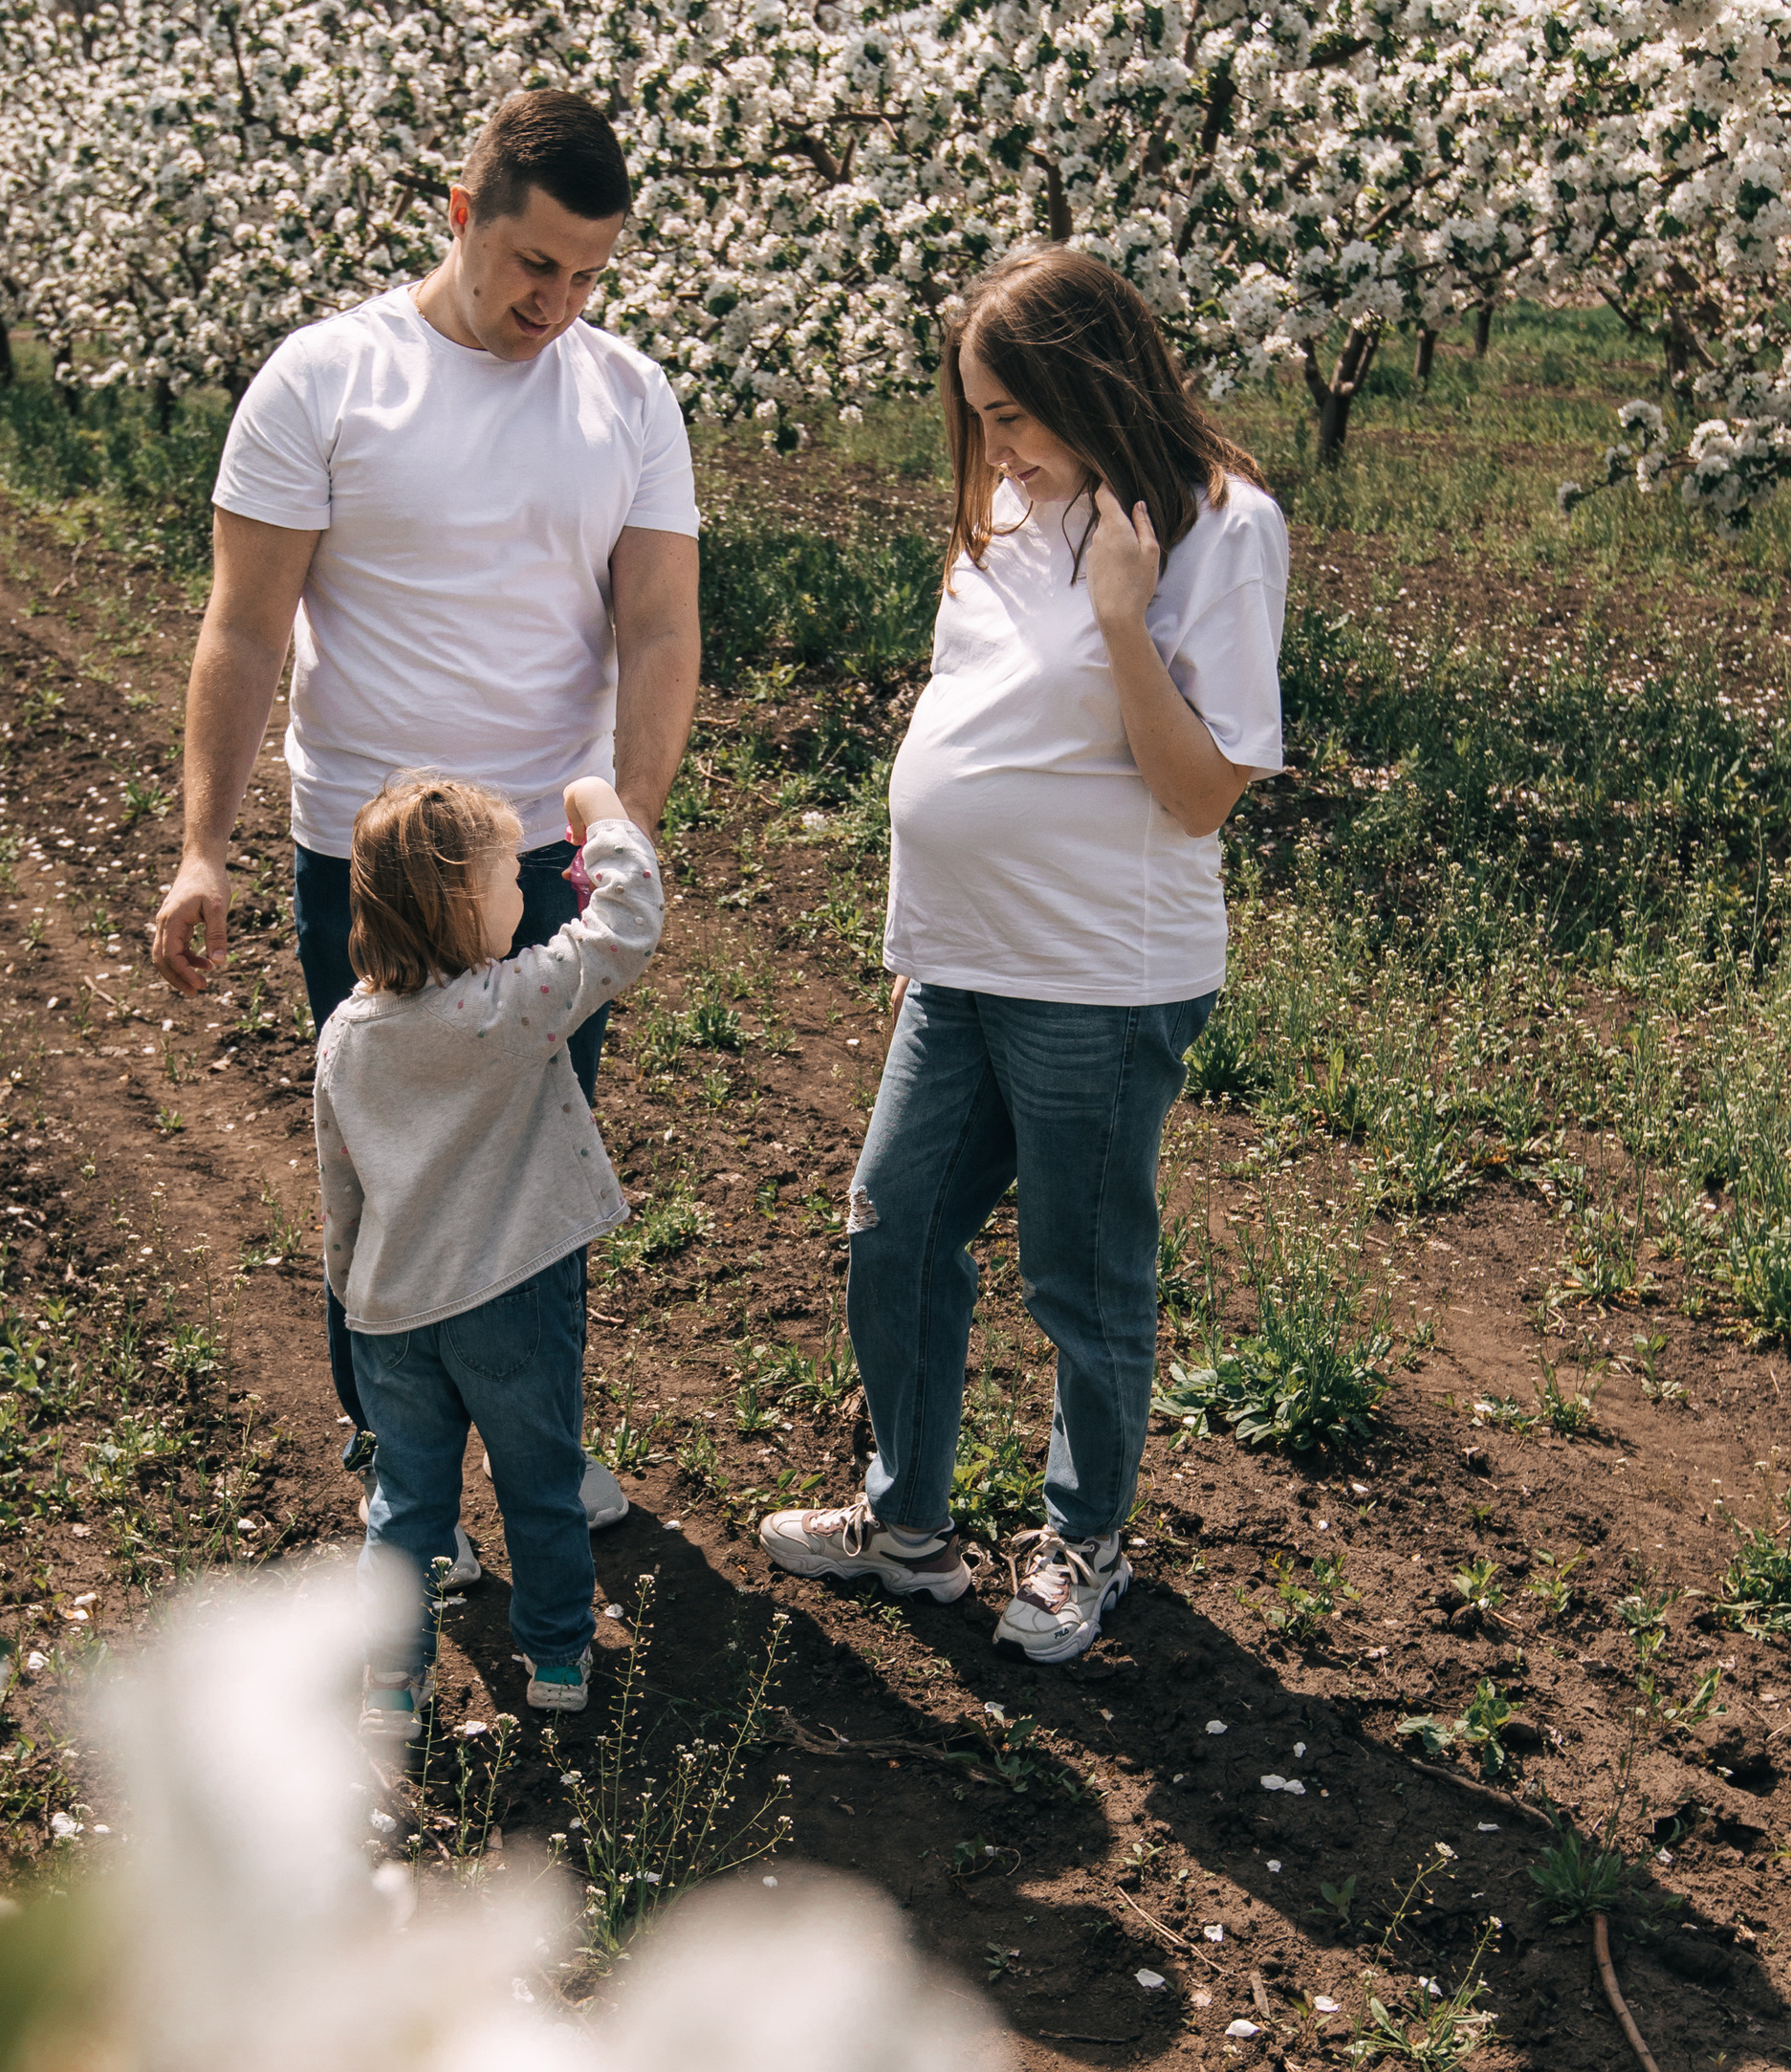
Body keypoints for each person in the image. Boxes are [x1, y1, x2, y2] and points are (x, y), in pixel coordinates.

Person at [150, 88, 700, 1574]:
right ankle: (407, 1480)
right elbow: (244, 628)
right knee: (390, 1169)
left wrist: (622, 837)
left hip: (538, 867)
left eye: (591, 276)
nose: (559, 303)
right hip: (369, 864)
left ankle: (539, 1443)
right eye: (535, 265)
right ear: (462, 217)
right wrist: (205, 843)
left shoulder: (630, 397)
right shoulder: (326, 380)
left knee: (534, 1168)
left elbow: (656, 630)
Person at [761, 248, 1288, 1667]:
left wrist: (1123, 615)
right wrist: (922, 923)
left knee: (1080, 1271)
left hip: (1099, 974)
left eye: (1014, 411)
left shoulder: (1221, 529)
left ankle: (1083, 1544)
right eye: (979, 415)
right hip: (962, 958)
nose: (992, 443)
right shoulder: (1003, 507)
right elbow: (968, 717)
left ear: (1092, 379)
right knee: (895, 1227)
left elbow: (1197, 792)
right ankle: (909, 1526)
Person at [315, 770, 664, 1729]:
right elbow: (624, 928)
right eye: (514, 876)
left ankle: (391, 1681)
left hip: (389, 1315)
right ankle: (555, 1657)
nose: (529, 892)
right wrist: (602, 818)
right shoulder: (508, 1006)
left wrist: (352, 1296)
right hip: (510, 1299)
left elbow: (339, 1184)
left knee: (406, 1507)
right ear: (463, 902)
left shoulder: (347, 1035)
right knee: (540, 1485)